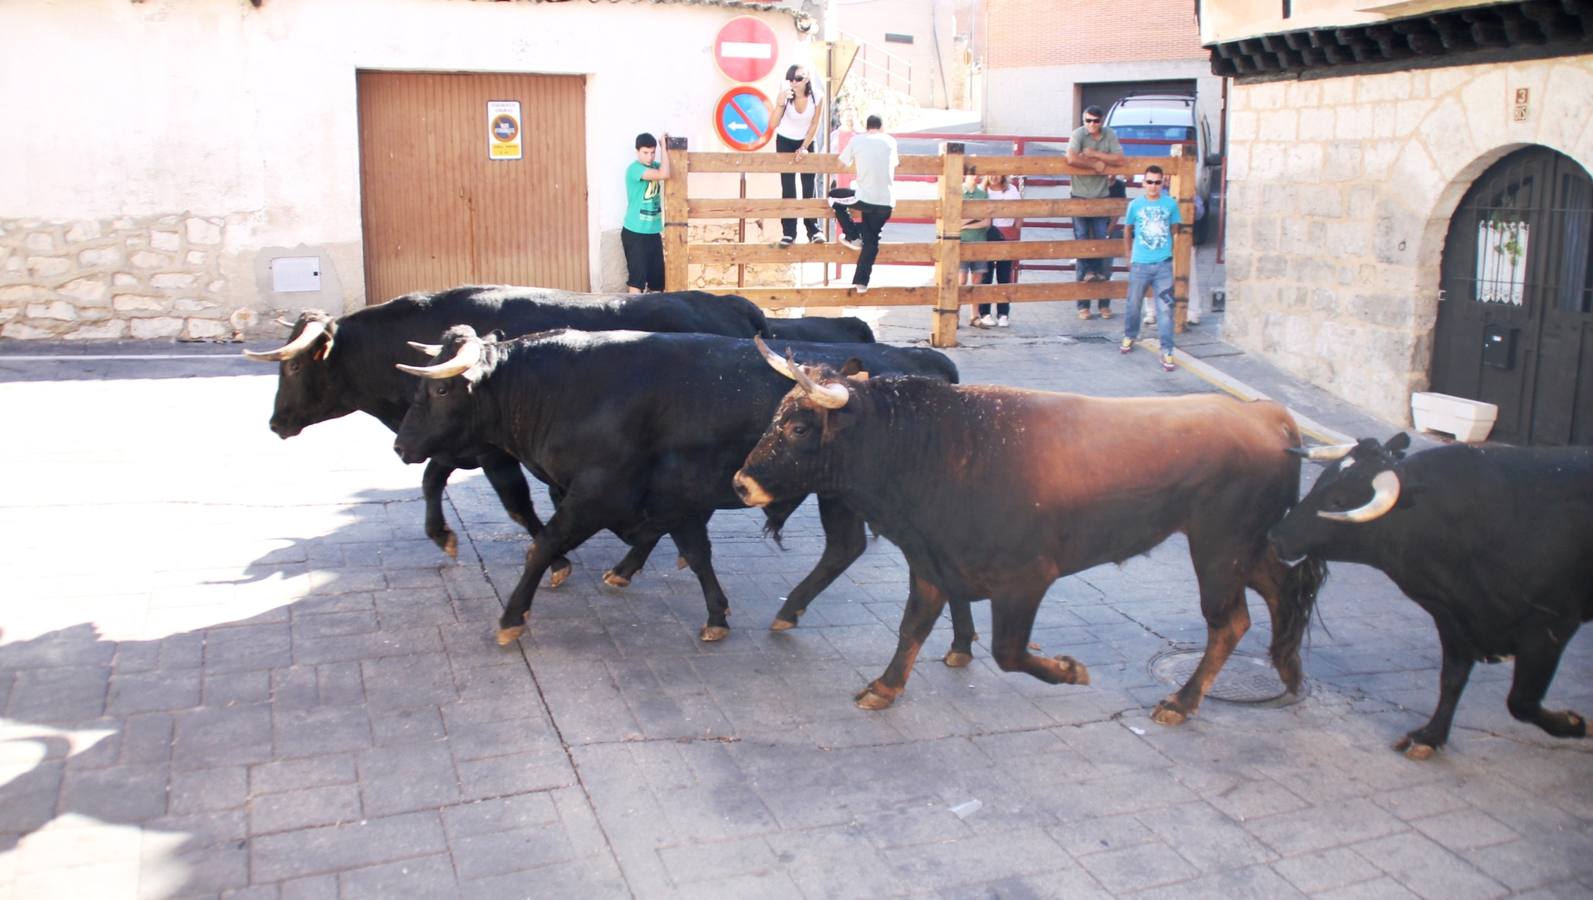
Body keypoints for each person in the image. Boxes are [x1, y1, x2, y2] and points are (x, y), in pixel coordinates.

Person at [1118, 165, 1182, 372]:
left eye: (1157, 182)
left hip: (1163, 263)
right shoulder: (1135, 205)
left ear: (1163, 183)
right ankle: (1130, 334)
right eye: (1150, 182)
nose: (1153, 186)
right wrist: (1129, 254)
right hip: (1140, 263)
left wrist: (1168, 251)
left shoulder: (1170, 204)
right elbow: (1127, 229)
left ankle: (1167, 349)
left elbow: (1174, 229)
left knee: (1165, 309)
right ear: (1143, 183)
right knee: (1133, 304)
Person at [1066, 106, 1125, 320]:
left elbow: (1119, 159)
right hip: (1080, 195)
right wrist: (1097, 164)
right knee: (1082, 242)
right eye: (1088, 120)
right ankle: (1083, 305)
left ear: (1101, 121)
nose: (1091, 124)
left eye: (1095, 121)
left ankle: (1102, 303)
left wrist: (1093, 154)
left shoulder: (1109, 135)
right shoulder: (1078, 134)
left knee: (1101, 242)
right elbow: (1071, 158)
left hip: (1101, 198)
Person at [830, 114, 898, 294]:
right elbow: (895, 164)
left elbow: (840, 163)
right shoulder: (890, 141)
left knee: (834, 198)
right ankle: (861, 283)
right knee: (871, 241)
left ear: (866, 127)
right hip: (887, 202)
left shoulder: (857, 140)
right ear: (881, 127)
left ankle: (852, 235)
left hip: (865, 198)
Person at [767, 64, 825, 247]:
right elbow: (773, 124)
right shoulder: (785, 94)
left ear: (807, 78)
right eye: (790, 78)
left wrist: (804, 147)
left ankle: (814, 229)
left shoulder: (817, 96)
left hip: (806, 140)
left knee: (809, 186)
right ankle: (789, 232)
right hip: (785, 140)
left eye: (798, 79)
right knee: (788, 187)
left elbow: (815, 124)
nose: (794, 82)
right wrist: (780, 103)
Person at [622, 132, 670, 293]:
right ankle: (634, 317)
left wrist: (664, 149)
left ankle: (653, 317)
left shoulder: (655, 166)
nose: (649, 157)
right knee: (637, 281)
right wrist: (664, 146)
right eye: (645, 153)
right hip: (635, 232)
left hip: (653, 232)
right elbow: (664, 174)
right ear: (637, 152)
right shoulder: (634, 169)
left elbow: (668, 168)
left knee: (658, 282)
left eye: (652, 152)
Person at [978, 174, 1022, 328]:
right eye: (991, 173)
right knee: (986, 274)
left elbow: (1019, 212)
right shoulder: (981, 190)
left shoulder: (1011, 190)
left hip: (1006, 234)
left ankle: (1003, 313)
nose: (994, 177)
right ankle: (984, 312)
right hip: (987, 234)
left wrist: (1016, 229)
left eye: (997, 173)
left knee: (1004, 275)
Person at [959, 175, 992, 326]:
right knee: (961, 280)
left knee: (977, 280)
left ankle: (974, 316)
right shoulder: (958, 192)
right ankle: (955, 315)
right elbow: (955, 220)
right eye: (973, 173)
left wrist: (965, 223)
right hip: (961, 242)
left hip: (979, 241)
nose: (977, 176)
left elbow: (986, 221)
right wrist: (974, 220)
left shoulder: (983, 194)